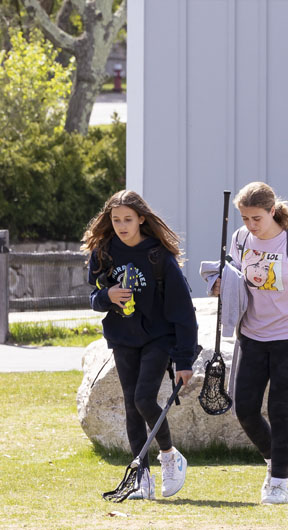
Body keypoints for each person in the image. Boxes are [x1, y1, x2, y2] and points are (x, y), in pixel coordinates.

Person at [215, 182, 288, 504]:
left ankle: (279, 482)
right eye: (245, 218)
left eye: (257, 218)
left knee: (279, 410)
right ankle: (274, 460)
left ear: (272, 211)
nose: (251, 225)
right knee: (245, 409)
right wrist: (221, 285)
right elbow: (237, 279)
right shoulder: (240, 239)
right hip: (252, 336)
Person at [82, 190, 197, 501]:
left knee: (144, 399)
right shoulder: (103, 253)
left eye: (127, 219)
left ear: (141, 219)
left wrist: (185, 360)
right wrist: (108, 296)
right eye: (116, 219)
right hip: (122, 338)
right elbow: (94, 296)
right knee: (132, 406)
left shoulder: (158, 256)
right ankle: (141, 479)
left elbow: (184, 311)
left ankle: (170, 456)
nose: (121, 225)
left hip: (158, 338)